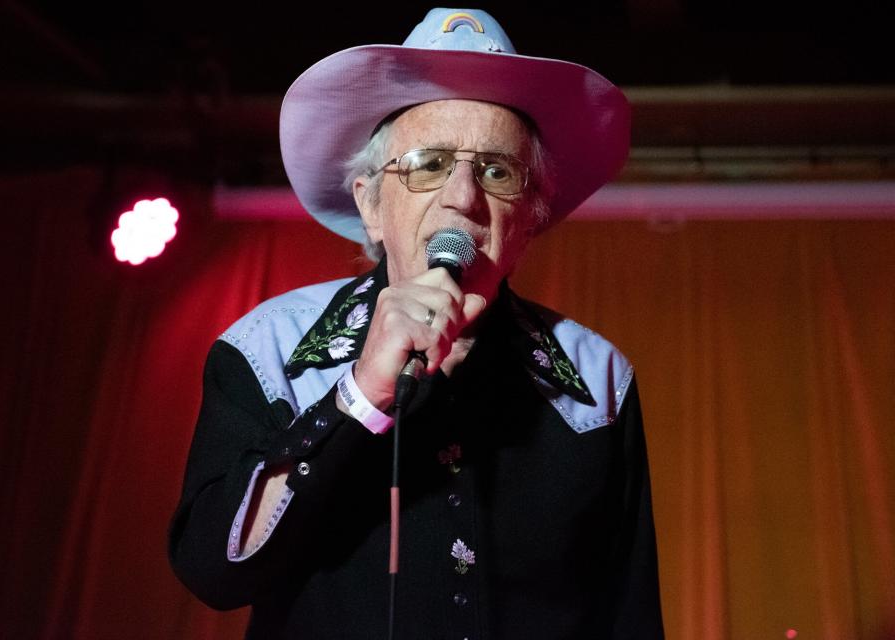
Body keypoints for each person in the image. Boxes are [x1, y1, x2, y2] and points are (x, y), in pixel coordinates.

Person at [169, 8, 663, 639]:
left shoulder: (597, 381)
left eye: (496, 171)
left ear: (532, 218)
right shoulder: (270, 349)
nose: (462, 195)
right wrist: (357, 397)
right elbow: (212, 571)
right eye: (429, 164)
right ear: (371, 204)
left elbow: (629, 616)